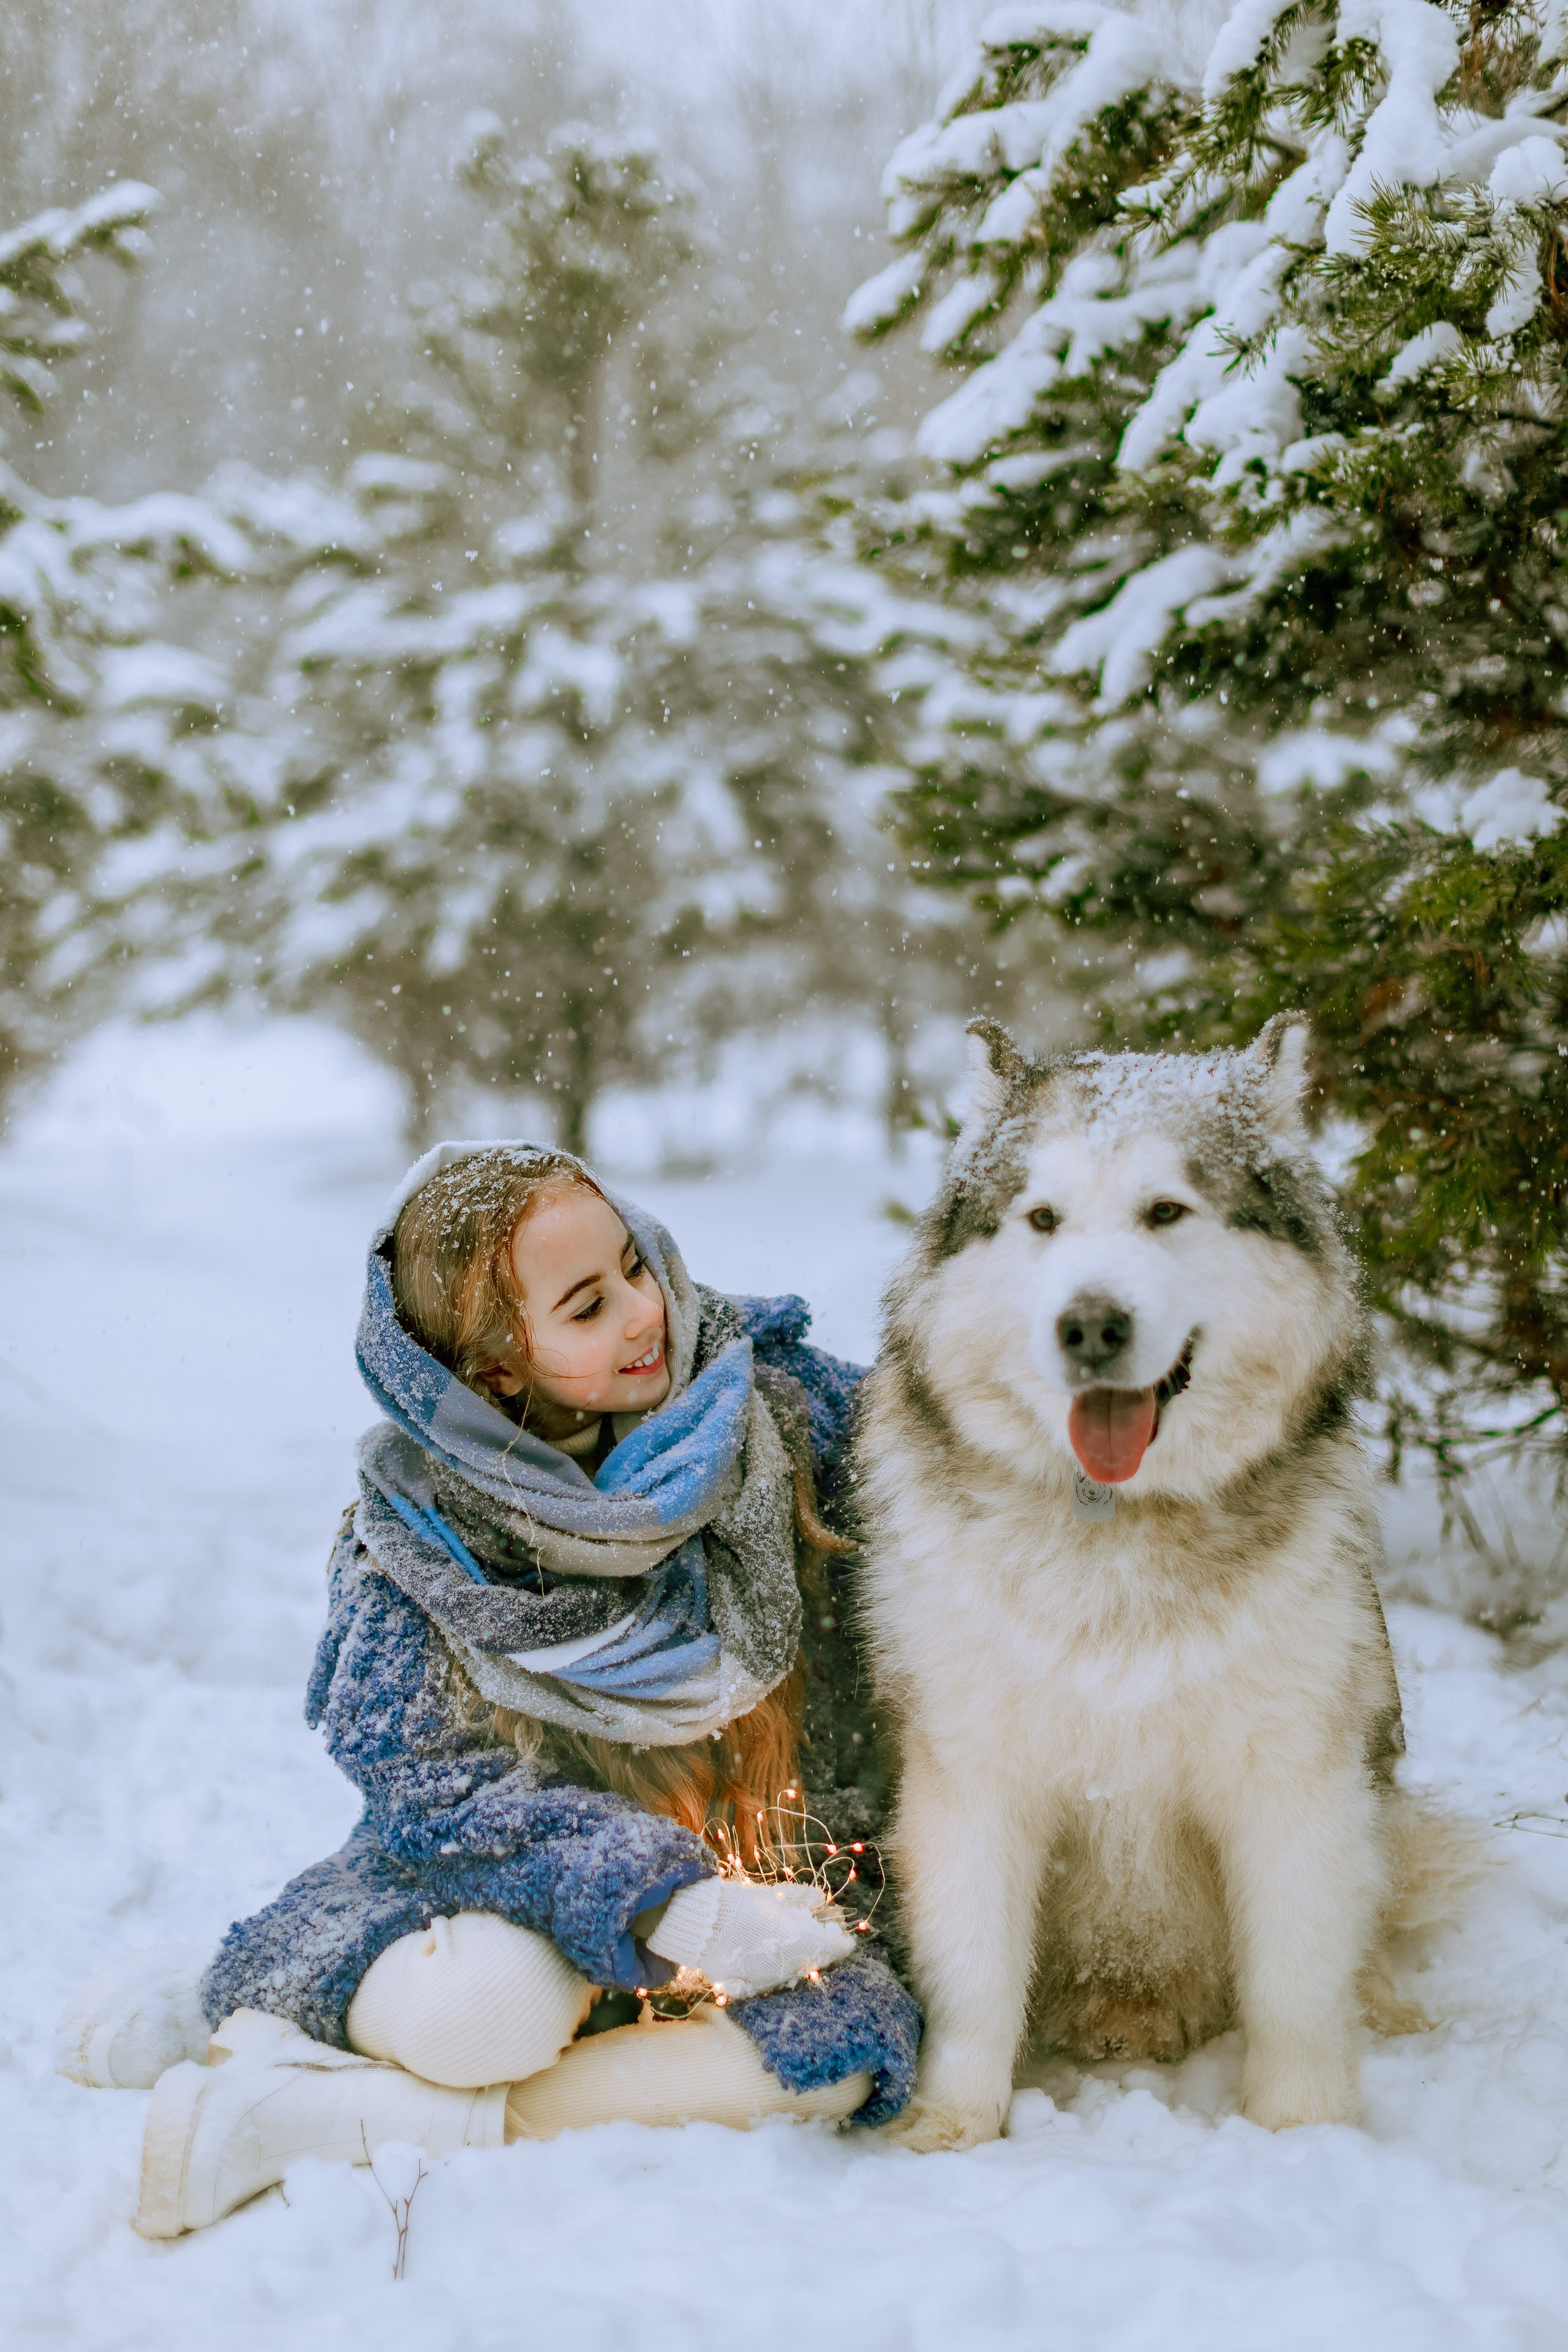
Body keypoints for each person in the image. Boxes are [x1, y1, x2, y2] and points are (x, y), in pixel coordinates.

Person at [59, 1142, 919, 2237]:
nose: (646, 1312)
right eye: (586, 1305)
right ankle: (263, 1990)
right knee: (486, 2018)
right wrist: (667, 1904)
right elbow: (437, 1788)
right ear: (501, 1368)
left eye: (635, 1266)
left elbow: (960, 1464)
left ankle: (309, 2111)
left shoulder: (786, 1414)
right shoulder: (418, 1538)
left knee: (837, 2060)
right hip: (514, 1885)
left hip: (780, 1876)